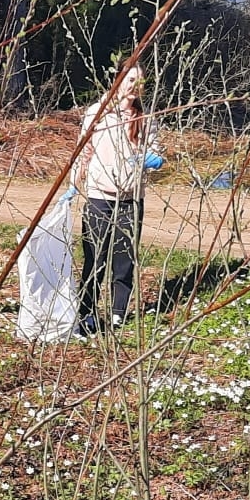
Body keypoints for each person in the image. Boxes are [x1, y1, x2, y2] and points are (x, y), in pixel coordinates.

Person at [73, 65, 162, 337]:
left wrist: (154, 159)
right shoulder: (97, 114)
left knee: (123, 261)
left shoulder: (146, 118)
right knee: (94, 258)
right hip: (100, 197)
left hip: (131, 200)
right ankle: (86, 313)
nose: (135, 86)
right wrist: (73, 184)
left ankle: (117, 315)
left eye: (141, 81)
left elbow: (157, 152)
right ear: (118, 81)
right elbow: (83, 151)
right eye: (130, 79)